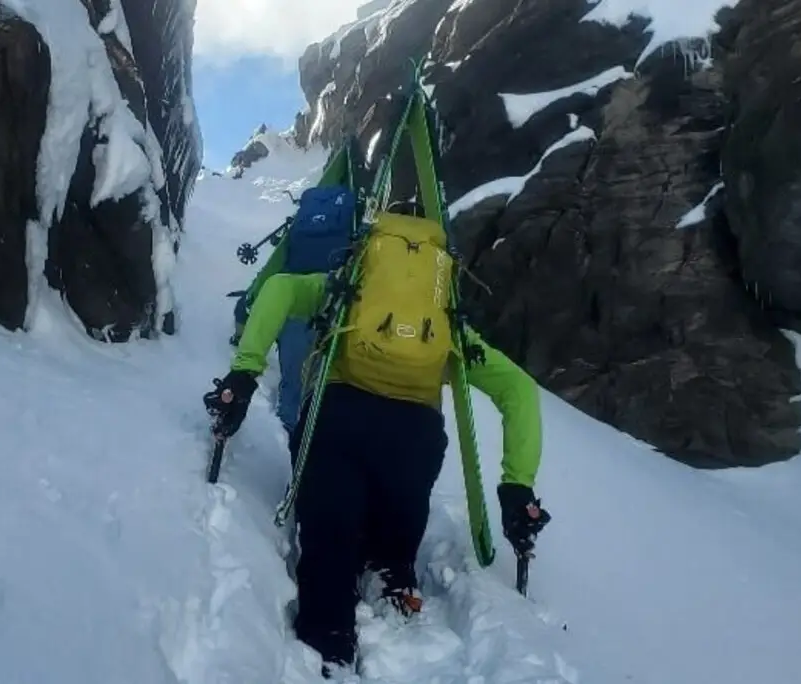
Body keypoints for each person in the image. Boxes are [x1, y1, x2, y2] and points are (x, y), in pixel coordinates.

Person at [203, 209, 549, 677]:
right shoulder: (445, 325)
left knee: (328, 541)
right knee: (393, 538)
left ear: (370, 251)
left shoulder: (346, 291)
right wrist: (516, 488)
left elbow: (281, 286)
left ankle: (328, 645)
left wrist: (245, 370)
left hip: (337, 415)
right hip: (412, 439)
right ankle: (392, 576)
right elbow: (519, 391)